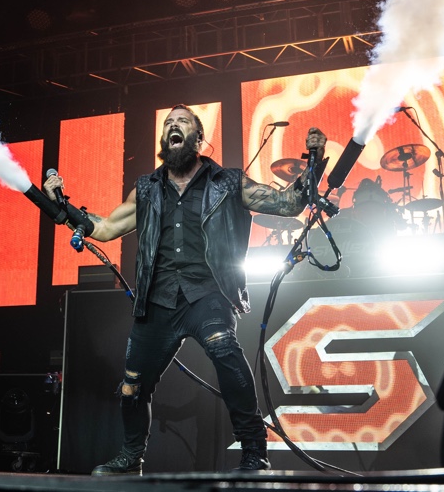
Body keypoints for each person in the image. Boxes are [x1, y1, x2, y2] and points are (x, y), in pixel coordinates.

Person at [44, 104, 327, 475]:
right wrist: (63, 206)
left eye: (182, 122)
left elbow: (289, 204)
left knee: (224, 348)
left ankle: (255, 452)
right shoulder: (146, 189)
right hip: (157, 300)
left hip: (208, 293)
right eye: (168, 123)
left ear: (198, 137)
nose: (173, 126)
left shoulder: (228, 182)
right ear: (165, 138)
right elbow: (106, 228)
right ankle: (131, 457)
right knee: (132, 385)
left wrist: (314, 161)